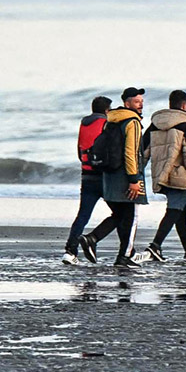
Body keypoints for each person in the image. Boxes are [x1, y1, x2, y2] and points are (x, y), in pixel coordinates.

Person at [81, 88, 149, 266]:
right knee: (132, 216)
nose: (140, 104)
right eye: (136, 101)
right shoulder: (132, 122)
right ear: (127, 103)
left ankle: (92, 239)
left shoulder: (110, 120)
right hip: (127, 175)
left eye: (141, 101)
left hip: (109, 174)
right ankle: (124, 257)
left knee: (119, 214)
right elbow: (131, 153)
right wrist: (134, 180)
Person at [145, 90, 186, 262]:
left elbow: (143, 148)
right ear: (185, 105)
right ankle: (155, 245)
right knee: (174, 210)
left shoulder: (156, 123)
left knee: (179, 210)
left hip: (161, 171)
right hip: (179, 171)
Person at [64, 95, 113, 264]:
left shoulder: (84, 124)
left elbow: (80, 152)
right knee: (121, 214)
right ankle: (124, 251)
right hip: (103, 176)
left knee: (83, 215)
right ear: (107, 110)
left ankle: (70, 251)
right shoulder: (105, 124)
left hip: (86, 175)